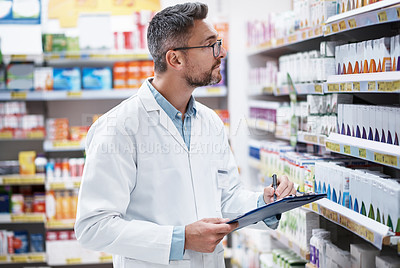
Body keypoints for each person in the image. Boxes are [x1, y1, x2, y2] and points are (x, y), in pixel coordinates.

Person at [74, 2, 296, 268]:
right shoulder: (119, 128)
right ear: (175, 59)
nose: (222, 52)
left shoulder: (210, 122)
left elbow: (226, 197)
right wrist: (181, 239)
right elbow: (93, 227)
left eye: (219, 42)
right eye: (210, 45)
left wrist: (266, 202)